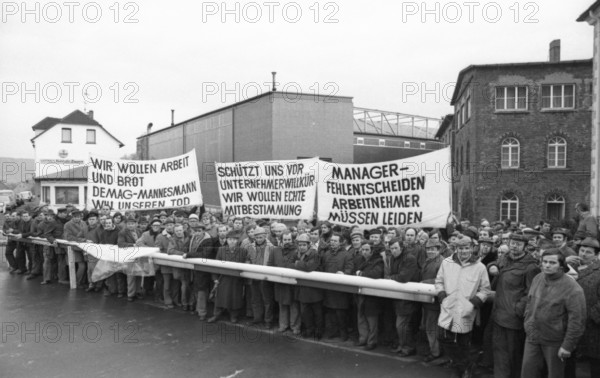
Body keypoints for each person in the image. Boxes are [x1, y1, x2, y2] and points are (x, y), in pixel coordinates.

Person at [521, 249, 586, 378]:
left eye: (552, 262)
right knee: (528, 372)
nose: (547, 265)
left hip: (554, 340)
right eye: (544, 262)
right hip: (532, 336)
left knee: (555, 375)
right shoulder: (538, 278)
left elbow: (577, 321)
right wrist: (527, 321)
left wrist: (567, 346)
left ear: (561, 266)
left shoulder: (572, 288)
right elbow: (530, 301)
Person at [435, 235, 491, 378]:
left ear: (472, 249)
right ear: (456, 249)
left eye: (466, 248)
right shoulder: (446, 262)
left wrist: (473, 303)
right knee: (442, 337)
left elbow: (485, 289)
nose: (463, 251)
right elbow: (439, 281)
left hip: (466, 309)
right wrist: (442, 296)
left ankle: (459, 368)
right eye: (460, 248)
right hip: (448, 306)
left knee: (463, 342)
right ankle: (465, 365)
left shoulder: (480, 267)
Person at [491, 232, 540, 378]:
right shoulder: (505, 258)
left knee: (513, 354)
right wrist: (492, 265)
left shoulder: (530, 266)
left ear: (525, 247)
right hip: (498, 314)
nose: (514, 247)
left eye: (518, 244)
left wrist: (518, 309)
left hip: (513, 318)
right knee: (499, 351)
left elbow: (531, 292)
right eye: (512, 243)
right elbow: (495, 263)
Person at [386, 237, 420, 356]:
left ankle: (407, 347)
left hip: (408, 296)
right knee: (402, 325)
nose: (394, 251)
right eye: (391, 248)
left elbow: (404, 277)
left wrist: (391, 278)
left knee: (402, 325)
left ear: (401, 247)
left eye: (396, 248)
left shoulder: (409, 258)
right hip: (398, 296)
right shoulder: (392, 258)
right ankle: (403, 345)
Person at [573, 237, 600, 378]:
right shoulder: (571, 267)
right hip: (574, 323)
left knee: (594, 364)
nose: (583, 254)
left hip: (592, 326)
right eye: (581, 250)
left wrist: (591, 316)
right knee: (574, 362)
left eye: (588, 252)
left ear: (596, 255)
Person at [208, 231, 247, 323]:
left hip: (236, 280)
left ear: (237, 241)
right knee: (220, 298)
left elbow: (246, 265)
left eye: (234, 239)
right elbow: (215, 265)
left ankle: (233, 316)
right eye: (230, 239)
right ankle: (216, 314)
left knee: (235, 298)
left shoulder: (243, 251)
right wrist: (215, 279)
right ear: (226, 240)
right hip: (223, 278)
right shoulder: (221, 250)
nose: (232, 241)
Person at [321, 232, 353, 341]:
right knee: (330, 312)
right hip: (329, 288)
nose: (332, 243)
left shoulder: (347, 254)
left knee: (341, 313)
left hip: (340, 289)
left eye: (335, 241)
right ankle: (333, 332)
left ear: (341, 242)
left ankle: (343, 333)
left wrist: (345, 274)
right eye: (331, 241)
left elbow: (349, 268)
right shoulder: (326, 254)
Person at [354, 241, 384, 350]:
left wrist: (361, 274)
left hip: (372, 295)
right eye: (363, 250)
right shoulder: (360, 259)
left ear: (372, 251)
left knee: (372, 320)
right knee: (361, 317)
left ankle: (372, 342)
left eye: (367, 250)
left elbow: (376, 274)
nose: (364, 252)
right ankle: (363, 339)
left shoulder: (378, 261)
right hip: (360, 293)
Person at [294, 233, 324, 339]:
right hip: (303, 288)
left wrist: (297, 264)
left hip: (314, 289)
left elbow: (309, 267)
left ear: (308, 245)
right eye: (300, 245)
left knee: (317, 313)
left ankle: (318, 332)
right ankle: (309, 330)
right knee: (305, 313)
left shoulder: (314, 254)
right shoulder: (297, 254)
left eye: (303, 245)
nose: (301, 247)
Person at [270, 231, 301, 334]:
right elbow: (270, 264)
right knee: (282, 304)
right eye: (285, 240)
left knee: (294, 305)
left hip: (292, 283)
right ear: (281, 240)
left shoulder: (298, 251)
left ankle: (295, 326)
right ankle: (283, 325)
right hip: (279, 282)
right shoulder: (275, 250)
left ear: (292, 240)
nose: (287, 242)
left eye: (289, 240)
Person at [183, 224, 214, 320]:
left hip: (203, 269)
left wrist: (188, 254)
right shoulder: (192, 239)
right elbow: (185, 248)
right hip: (193, 268)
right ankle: (197, 309)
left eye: (199, 231)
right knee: (195, 288)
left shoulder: (208, 240)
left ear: (203, 231)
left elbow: (204, 254)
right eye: (195, 231)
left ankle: (202, 312)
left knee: (201, 290)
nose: (197, 233)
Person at [246, 226, 276, 328]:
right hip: (254, 276)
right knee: (255, 299)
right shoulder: (250, 247)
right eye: (257, 237)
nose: (259, 239)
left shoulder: (272, 247)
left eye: (261, 237)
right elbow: (248, 259)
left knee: (267, 300)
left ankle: (268, 320)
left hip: (265, 277)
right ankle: (257, 318)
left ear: (265, 236)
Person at [421, 238, 444, 362]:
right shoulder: (429, 261)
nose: (430, 251)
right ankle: (434, 349)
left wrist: (423, 283)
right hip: (428, 299)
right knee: (430, 326)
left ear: (438, 250)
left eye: (433, 249)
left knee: (431, 327)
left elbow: (441, 280)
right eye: (428, 249)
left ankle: (435, 352)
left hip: (434, 301)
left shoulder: (441, 262)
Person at [167, 224, 192, 311]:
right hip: (179, 266)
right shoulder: (173, 239)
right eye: (176, 231)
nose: (178, 232)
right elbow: (170, 251)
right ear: (174, 232)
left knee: (186, 285)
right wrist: (183, 254)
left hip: (189, 265)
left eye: (180, 230)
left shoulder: (189, 237)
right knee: (183, 285)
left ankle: (187, 303)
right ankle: (184, 303)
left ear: (183, 230)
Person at [118, 215, 143, 302]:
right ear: (126, 224)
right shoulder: (122, 232)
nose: (130, 225)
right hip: (129, 256)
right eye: (129, 224)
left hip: (139, 256)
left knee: (139, 274)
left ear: (136, 224)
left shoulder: (139, 231)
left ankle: (138, 291)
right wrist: (132, 245)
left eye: (132, 223)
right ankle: (131, 294)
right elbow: (120, 244)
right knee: (131, 275)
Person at [99, 217, 126, 297]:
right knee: (109, 274)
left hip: (117, 255)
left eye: (109, 223)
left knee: (118, 274)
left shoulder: (118, 232)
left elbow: (119, 243)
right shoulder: (103, 232)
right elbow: (102, 243)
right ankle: (112, 290)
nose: (108, 225)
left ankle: (120, 291)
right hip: (108, 255)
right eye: (106, 223)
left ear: (112, 223)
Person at [63, 209, 89, 289]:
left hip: (84, 247)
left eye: (78, 217)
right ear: (72, 217)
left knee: (84, 265)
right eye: (75, 217)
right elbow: (68, 237)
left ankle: (82, 281)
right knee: (81, 265)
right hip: (74, 248)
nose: (77, 218)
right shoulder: (67, 225)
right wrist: (82, 240)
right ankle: (78, 282)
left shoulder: (84, 223)